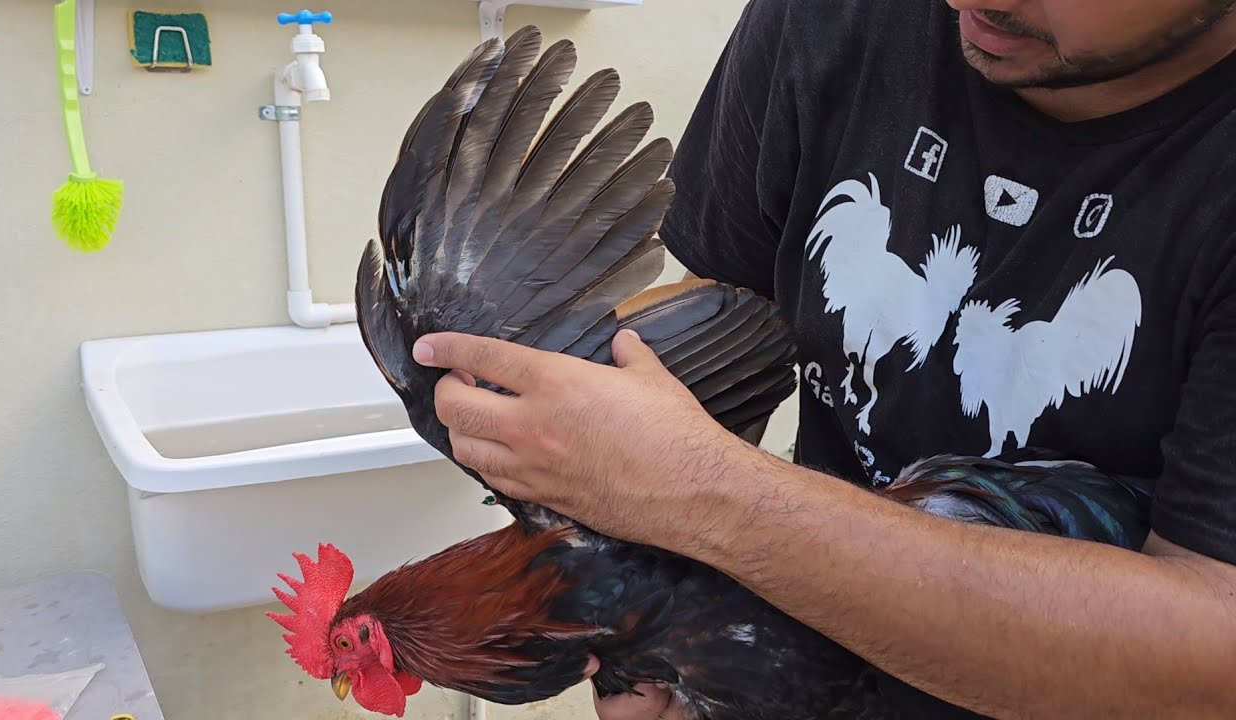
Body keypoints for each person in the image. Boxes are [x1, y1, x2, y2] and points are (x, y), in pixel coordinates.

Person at [409, 0, 1236, 717]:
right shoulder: (834, 20)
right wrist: (678, 647)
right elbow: (726, 325)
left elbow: (1212, 657)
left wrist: (710, 498)